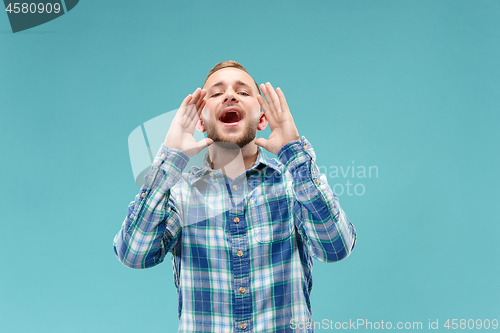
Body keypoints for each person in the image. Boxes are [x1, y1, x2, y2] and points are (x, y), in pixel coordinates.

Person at [113, 61, 356, 333]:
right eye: (216, 94)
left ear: (262, 119)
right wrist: (170, 159)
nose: (230, 95)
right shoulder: (180, 194)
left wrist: (294, 153)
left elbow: (336, 247)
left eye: (243, 92)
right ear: (201, 122)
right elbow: (134, 254)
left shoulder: (293, 185)